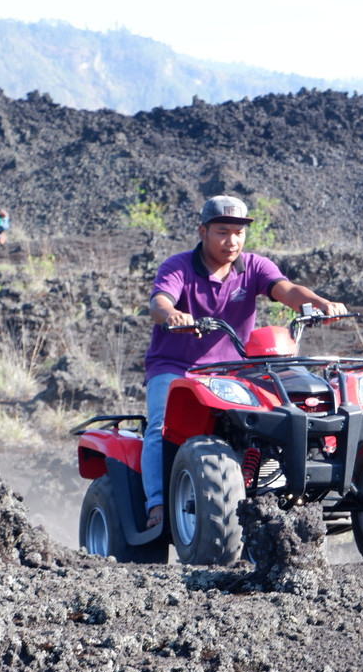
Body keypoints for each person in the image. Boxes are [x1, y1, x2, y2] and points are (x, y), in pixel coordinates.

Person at [141, 195, 348, 529]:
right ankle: (157, 506)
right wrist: (173, 314)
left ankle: (289, 488)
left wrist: (320, 303)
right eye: (222, 231)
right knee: (159, 425)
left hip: (234, 370)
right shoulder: (177, 267)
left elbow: (287, 290)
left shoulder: (253, 266)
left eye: (238, 232)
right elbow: (159, 302)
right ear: (202, 232)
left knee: (284, 413)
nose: (232, 241)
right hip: (176, 367)